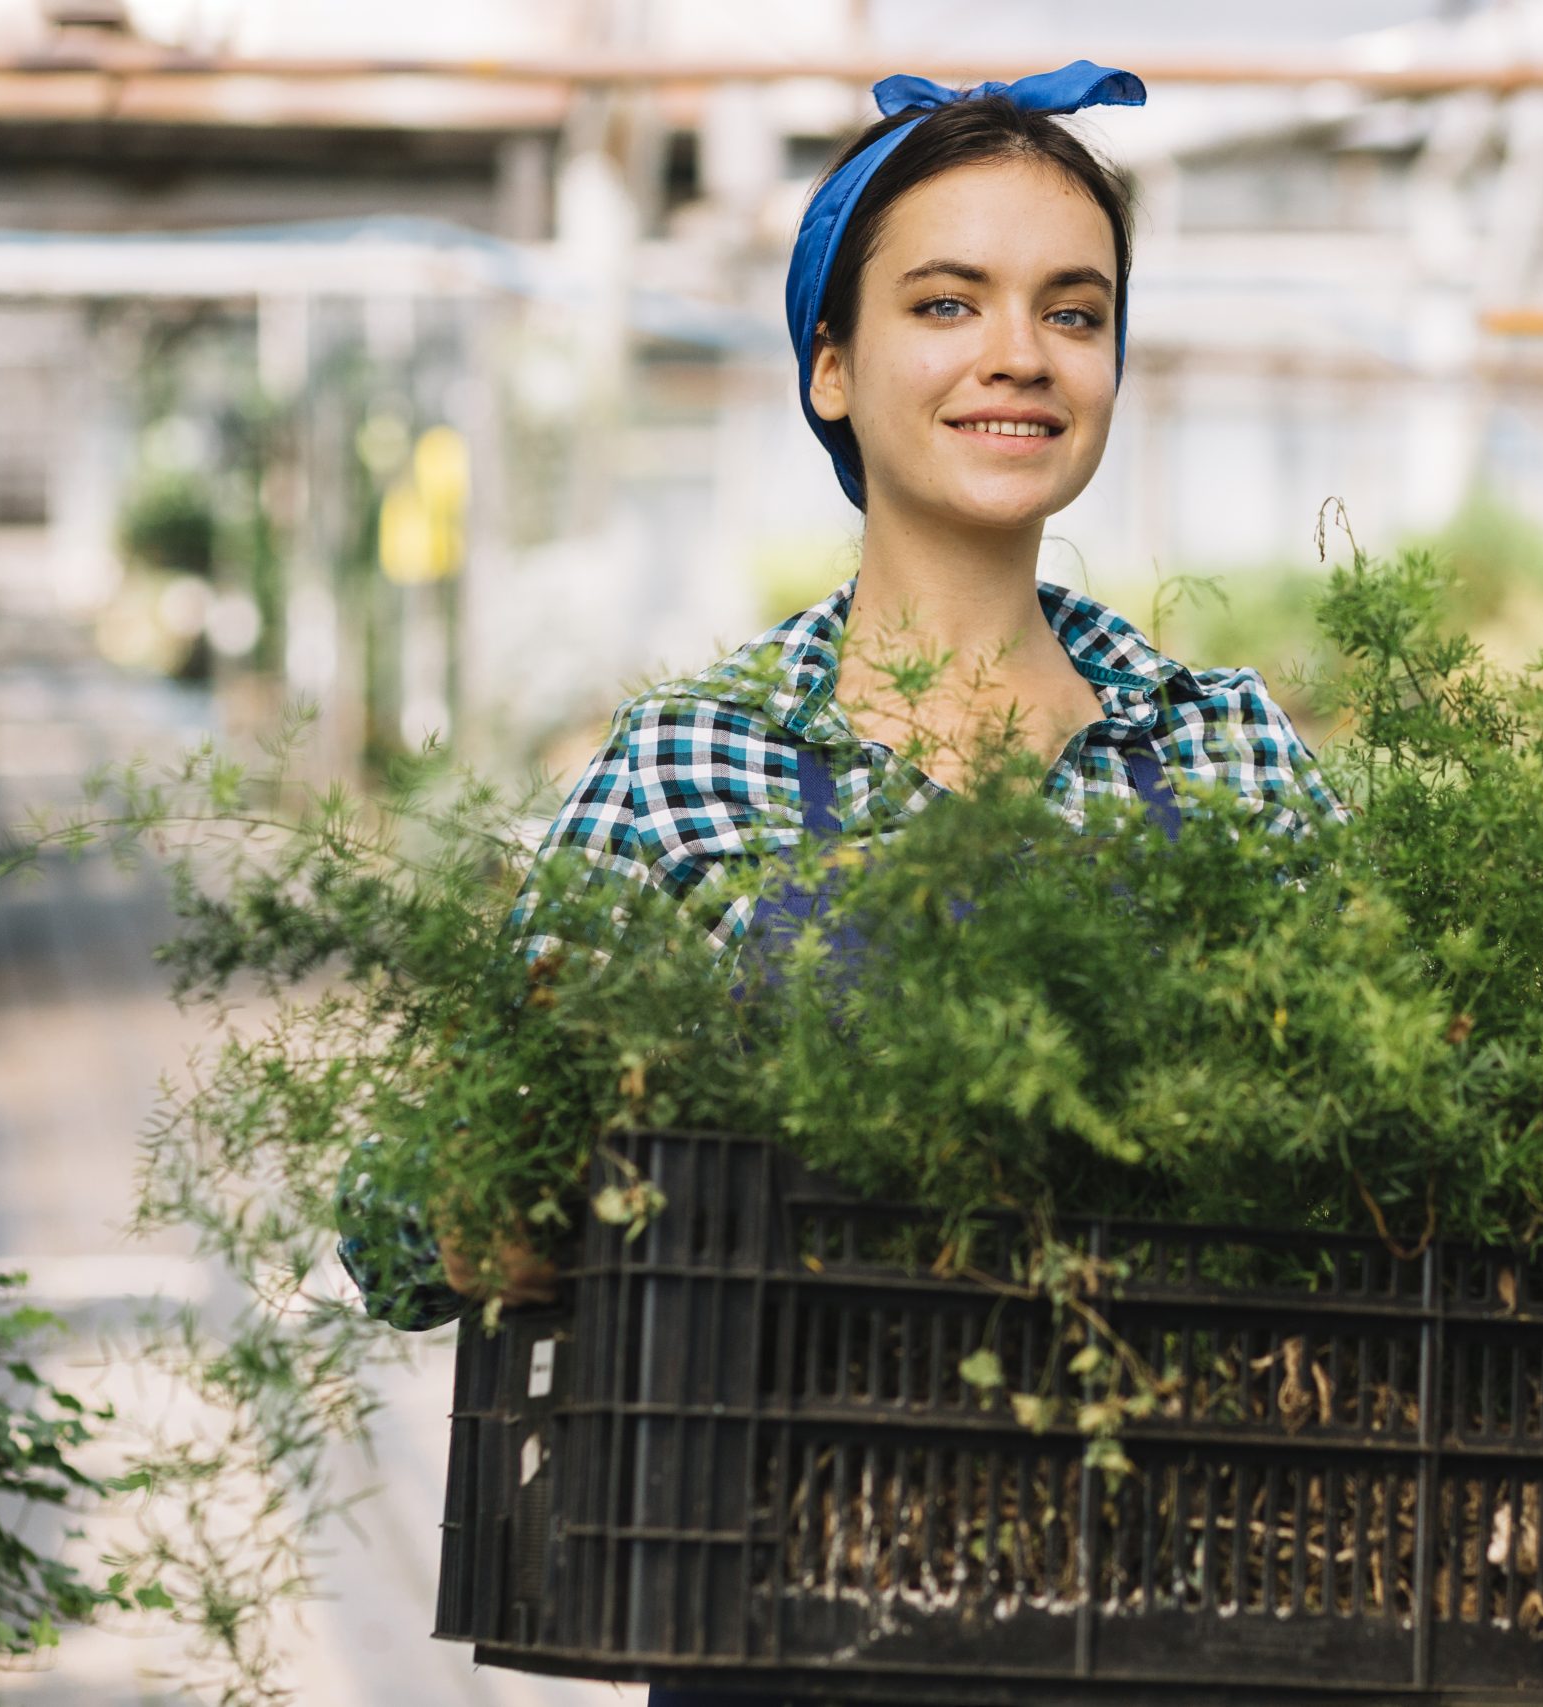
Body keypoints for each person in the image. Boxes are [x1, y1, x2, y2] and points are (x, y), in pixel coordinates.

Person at [334, 58, 1350, 1706]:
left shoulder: (1220, 747)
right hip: (790, 1622)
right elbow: (394, 1225)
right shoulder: (694, 765)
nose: (1021, 353)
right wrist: (507, 1193)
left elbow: (1396, 1161)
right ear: (829, 366)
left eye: (1074, 313)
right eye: (948, 304)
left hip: (1197, 1612)